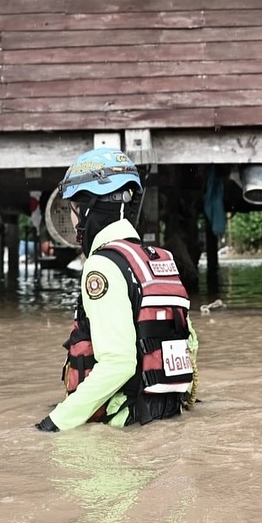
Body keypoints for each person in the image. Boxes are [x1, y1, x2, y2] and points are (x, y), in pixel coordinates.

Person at [36, 148, 197, 432]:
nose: (73, 220)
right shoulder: (160, 259)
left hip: (124, 425)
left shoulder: (102, 265)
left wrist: (53, 424)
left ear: (87, 209)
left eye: (73, 209)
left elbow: (119, 364)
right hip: (168, 416)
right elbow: (188, 345)